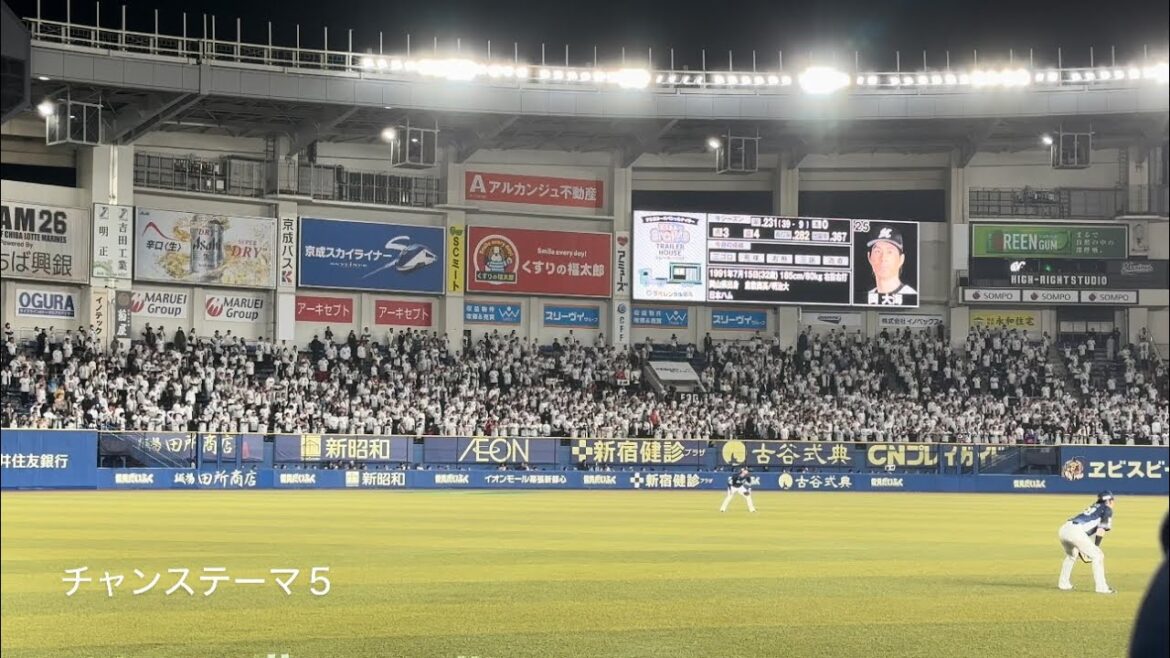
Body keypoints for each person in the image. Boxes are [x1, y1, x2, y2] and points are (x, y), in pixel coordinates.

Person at [1057, 491, 1116, 594]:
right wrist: (1096, 546)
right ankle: (1102, 588)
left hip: (1064, 529)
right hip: (1075, 532)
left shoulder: (1095, 506)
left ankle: (1063, 583)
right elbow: (1101, 530)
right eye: (1112, 500)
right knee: (1098, 556)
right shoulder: (1107, 509)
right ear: (1109, 501)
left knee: (1071, 556)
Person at [866, 225, 917, 301]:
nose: (883, 258)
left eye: (890, 252)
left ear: (901, 259)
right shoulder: (868, 296)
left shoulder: (911, 295)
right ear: (869, 257)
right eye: (878, 251)